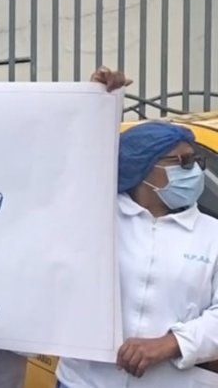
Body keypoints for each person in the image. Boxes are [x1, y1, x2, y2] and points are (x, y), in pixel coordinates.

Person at [0, 67, 133, 388]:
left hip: (15, 302)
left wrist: (98, 97)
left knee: (7, 381)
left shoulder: (31, 162)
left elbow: (78, 148)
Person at [57, 115, 218, 384]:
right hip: (86, 380)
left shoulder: (211, 234)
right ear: (142, 167)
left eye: (195, 161)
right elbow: (68, 161)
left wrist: (172, 343)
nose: (195, 172)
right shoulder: (95, 218)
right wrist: (99, 102)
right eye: (183, 163)